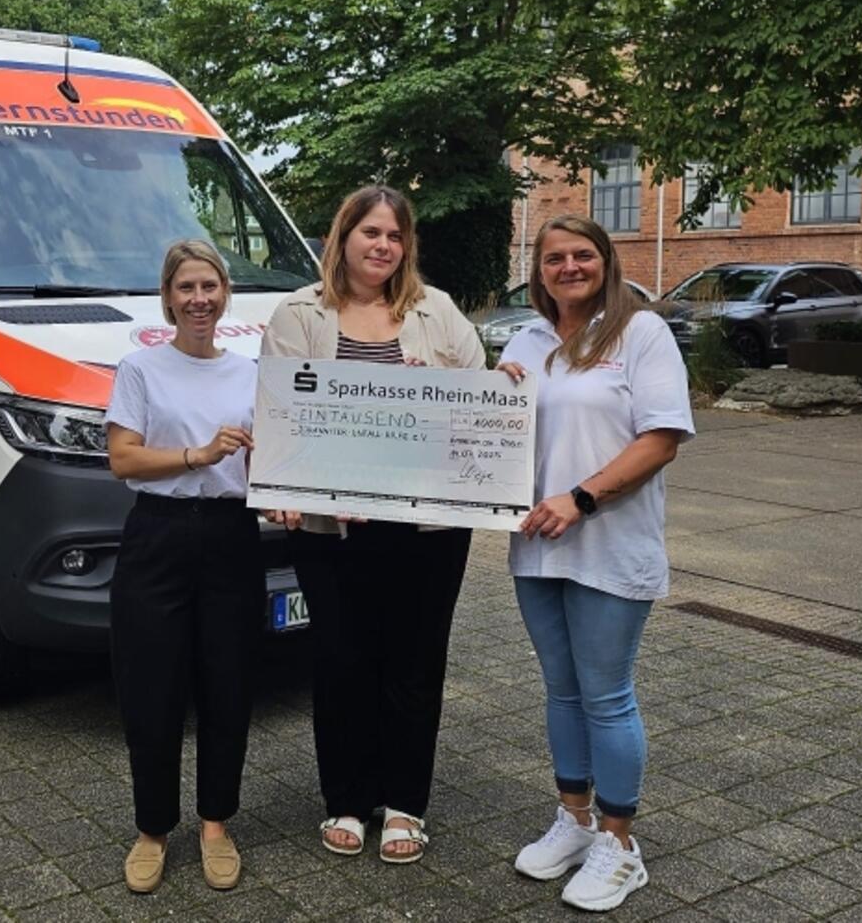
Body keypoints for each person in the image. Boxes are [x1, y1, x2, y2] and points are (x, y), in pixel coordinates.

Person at [261, 185, 485, 864]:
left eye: (394, 235)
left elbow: (479, 407)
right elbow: (279, 416)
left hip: (428, 530)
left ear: (405, 245)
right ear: (343, 237)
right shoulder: (299, 314)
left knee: (415, 662)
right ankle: (349, 800)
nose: (382, 246)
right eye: (370, 233)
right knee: (341, 660)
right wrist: (281, 489)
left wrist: (439, 393)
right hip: (332, 529)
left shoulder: (436, 312)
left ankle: (405, 802)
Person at [497, 214, 693, 912]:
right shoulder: (524, 339)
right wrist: (491, 396)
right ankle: (574, 820)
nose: (569, 266)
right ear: (538, 269)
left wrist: (580, 498)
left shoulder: (640, 333)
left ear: (606, 262)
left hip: (609, 541)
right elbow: (497, 431)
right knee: (562, 690)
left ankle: (620, 841)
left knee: (606, 693)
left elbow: (663, 438)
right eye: (555, 257)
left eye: (583, 254)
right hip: (535, 544)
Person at [105, 238, 263, 894]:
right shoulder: (141, 368)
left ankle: (216, 824)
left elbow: (271, 461)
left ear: (226, 293)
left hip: (231, 534)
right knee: (153, 688)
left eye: (211, 286)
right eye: (187, 288)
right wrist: (197, 455)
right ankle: (151, 829)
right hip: (159, 536)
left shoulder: (253, 371)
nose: (200, 299)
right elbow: (124, 459)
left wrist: (282, 489)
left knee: (228, 685)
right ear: (168, 297)